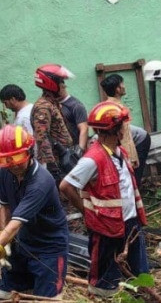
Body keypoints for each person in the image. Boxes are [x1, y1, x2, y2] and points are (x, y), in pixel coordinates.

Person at [59, 101, 149, 298]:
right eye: (123, 126)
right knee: (105, 279)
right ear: (114, 130)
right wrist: (88, 212)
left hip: (129, 222)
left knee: (138, 271)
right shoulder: (93, 159)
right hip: (105, 226)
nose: (126, 129)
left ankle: (139, 296)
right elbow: (66, 186)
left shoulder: (120, 153)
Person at [0, 125, 68, 299]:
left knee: (47, 299)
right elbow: (5, 206)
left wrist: (3, 238)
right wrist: (5, 241)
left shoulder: (41, 182)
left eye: (17, 157)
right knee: (6, 294)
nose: (12, 164)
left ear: (29, 152)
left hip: (49, 248)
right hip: (22, 242)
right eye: (6, 159)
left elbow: (16, 223)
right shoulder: (5, 171)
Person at [31, 64, 74, 181]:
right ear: (52, 84)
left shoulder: (52, 103)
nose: (64, 86)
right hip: (57, 164)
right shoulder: (43, 107)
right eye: (61, 82)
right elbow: (42, 137)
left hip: (63, 159)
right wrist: (52, 166)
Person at [100, 74, 139, 168]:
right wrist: (132, 158)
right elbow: (126, 137)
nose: (124, 86)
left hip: (108, 154)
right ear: (118, 89)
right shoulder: (120, 110)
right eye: (122, 84)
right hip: (122, 156)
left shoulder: (104, 107)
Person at [58, 85, 89, 153]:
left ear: (63, 86)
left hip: (73, 150)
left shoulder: (76, 105)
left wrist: (79, 151)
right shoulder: (53, 105)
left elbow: (84, 129)